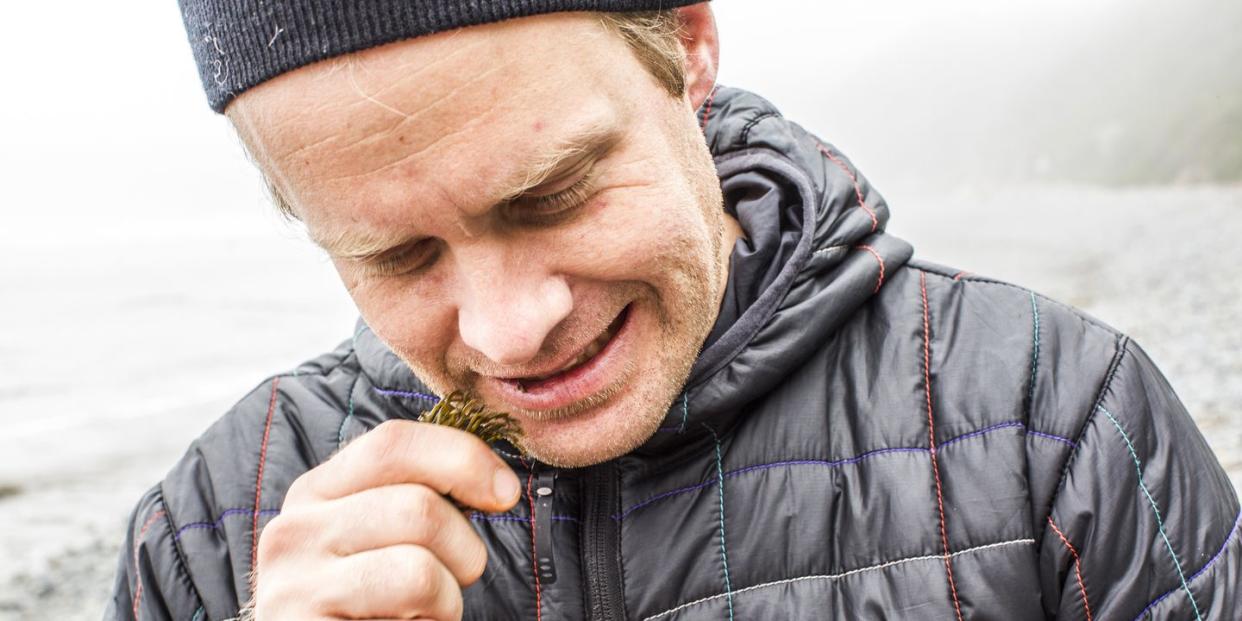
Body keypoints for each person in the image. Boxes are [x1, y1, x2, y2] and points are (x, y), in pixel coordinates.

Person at [109, 2, 1241, 619]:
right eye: (395, 253)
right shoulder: (215, 539)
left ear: (689, 48)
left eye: (552, 194)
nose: (508, 333)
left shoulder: (1059, 424)